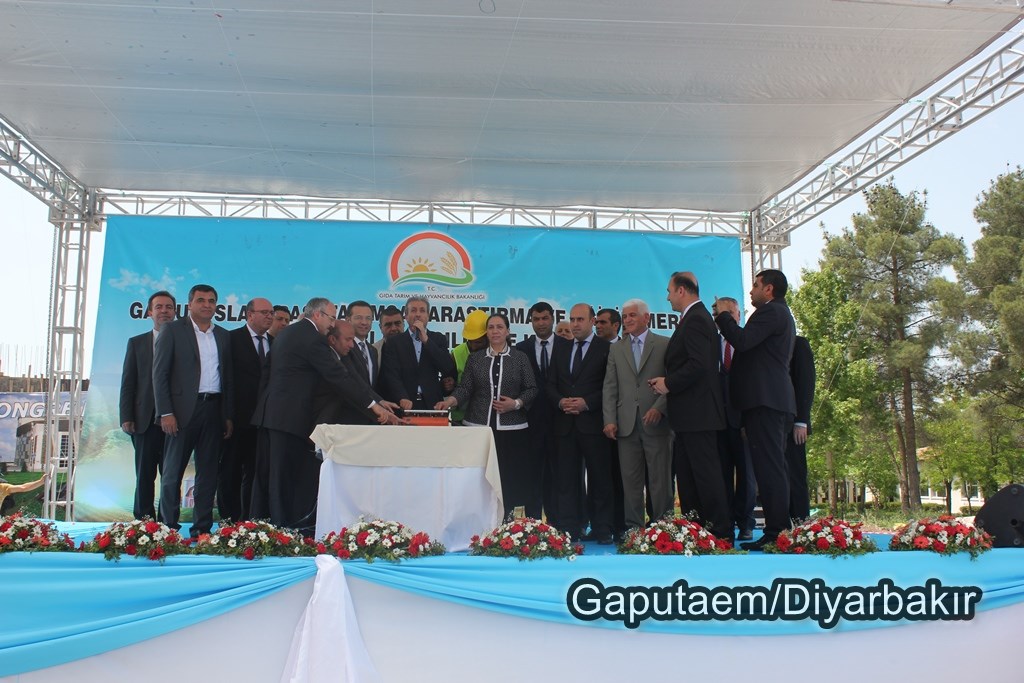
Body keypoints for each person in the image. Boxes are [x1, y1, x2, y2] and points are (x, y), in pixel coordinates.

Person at [251, 297, 397, 535]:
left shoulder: (289, 333)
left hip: (274, 414)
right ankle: (282, 532)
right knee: (283, 479)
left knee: (272, 477)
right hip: (289, 418)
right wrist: (374, 405)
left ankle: (268, 528)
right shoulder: (312, 338)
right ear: (317, 315)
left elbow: (268, 374)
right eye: (331, 318)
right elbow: (338, 376)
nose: (332, 324)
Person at [714, 269, 796, 551]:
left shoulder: (771, 312)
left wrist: (724, 316)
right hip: (765, 402)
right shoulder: (778, 313)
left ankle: (777, 532)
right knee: (769, 467)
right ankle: (777, 529)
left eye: (756, 286)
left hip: (766, 402)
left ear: (769, 289)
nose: (751, 291)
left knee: (770, 469)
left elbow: (743, 341)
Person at [650, 272, 731, 542]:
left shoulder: (696, 319)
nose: (667, 297)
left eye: (669, 291)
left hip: (699, 414)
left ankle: (719, 532)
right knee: (689, 478)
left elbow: (699, 364)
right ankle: (695, 531)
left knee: (705, 475)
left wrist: (668, 383)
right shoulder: (693, 318)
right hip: (688, 415)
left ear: (682, 291)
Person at [437, 313, 539, 518]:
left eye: (499, 327)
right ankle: (479, 519)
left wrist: (515, 404)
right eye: (491, 327)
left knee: (509, 476)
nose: (495, 331)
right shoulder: (476, 359)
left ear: (508, 331)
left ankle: (507, 520)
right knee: (479, 477)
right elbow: (465, 388)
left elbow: (531, 388)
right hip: (478, 428)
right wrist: (451, 401)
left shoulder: (520, 358)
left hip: (512, 429)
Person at [153, 284, 234, 537]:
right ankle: (169, 529)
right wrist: (166, 412)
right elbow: (160, 374)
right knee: (172, 473)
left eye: (211, 301)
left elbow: (228, 378)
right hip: (181, 412)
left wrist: (227, 415)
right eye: (201, 300)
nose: (207, 305)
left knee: (208, 473)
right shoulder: (173, 330)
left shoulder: (223, 335)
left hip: (214, 410)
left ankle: (202, 529)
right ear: (189, 305)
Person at [602, 299, 673, 530]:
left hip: (657, 423)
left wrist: (659, 408)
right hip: (626, 424)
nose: (627, 320)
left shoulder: (664, 344)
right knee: (630, 481)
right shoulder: (616, 348)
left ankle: (664, 528)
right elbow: (610, 386)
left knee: (660, 480)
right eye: (625, 316)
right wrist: (609, 420)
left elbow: (673, 382)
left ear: (647, 318)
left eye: (632, 315)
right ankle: (633, 530)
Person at [546, 303, 613, 543]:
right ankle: (569, 529)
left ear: (592, 321)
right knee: (566, 480)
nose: (575, 324)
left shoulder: (606, 348)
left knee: (599, 479)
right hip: (565, 425)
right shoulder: (561, 348)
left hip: (593, 424)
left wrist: (587, 403)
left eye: (580, 319)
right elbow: (550, 384)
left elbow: (610, 386)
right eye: (572, 319)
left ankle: (602, 528)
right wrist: (560, 401)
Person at [119, 290, 176, 520]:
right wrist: (126, 416)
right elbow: (128, 382)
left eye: (169, 307)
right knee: (144, 475)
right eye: (159, 307)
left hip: (175, 420)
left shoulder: (184, 341)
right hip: (144, 420)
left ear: (175, 312)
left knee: (171, 476)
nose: (164, 311)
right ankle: (144, 523)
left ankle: (167, 524)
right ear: (150, 312)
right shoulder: (137, 343)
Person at [514, 301, 570, 527]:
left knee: (560, 475)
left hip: (562, 420)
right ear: (530, 321)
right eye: (536, 319)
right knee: (533, 475)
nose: (541, 323)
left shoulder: (567, 346)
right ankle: (534, 524)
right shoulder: (521, 349)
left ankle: (558, 524)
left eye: (545, 318)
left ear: (552, 319)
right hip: (531, 421)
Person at [221, 297, 273, 522]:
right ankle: (228, 522)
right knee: (230, 472)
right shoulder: (231, 339)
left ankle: (250, 522)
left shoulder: (275, 342)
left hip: (264, 422)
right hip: (236, 420)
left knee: (256, 473)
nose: (269, 316)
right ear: (249, 315)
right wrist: (227, 415)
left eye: (271, 313)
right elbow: (224, 379)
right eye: (264, 312)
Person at [713, 296, 756, 540]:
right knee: (721, 476)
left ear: (738, 316)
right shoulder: (710, 343)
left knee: (747, 475)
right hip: (717, 420)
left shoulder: (747, 342)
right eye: (721, 314)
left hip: (743, 421)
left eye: (731, 313)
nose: (726, 318)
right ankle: (725, 522)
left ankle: (746, 522)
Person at [380, 296, 456, 410]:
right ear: (406, 316)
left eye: (422, 310)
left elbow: (447, 367)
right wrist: (401, 397)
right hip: (403, 404)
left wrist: (426, 340)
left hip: (432, 404)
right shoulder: (394, 342)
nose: (418, 314)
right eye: (413, 310)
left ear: (428, 316)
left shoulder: (438, 338)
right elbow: (391, 374)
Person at [787, 335, 815, 521]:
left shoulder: (798, 344)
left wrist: (801, 421)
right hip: (772, 425)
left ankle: (800, 523)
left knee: (795, 475)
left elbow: (806, 382)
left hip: (794, 425)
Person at [449, 310, 489, 424]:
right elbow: (449, 387)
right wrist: (449, 385)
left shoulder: (496, 353)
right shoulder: (456, 353)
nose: (473, 346)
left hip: (487, 417)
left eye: (478, 342)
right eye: (470, 341)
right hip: (461, 418)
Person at [346, 300, 381, 390]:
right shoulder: (343, 347)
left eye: (368, 318)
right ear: (348, 320)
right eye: (358, 318)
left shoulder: (373, 350)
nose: (364, 322)